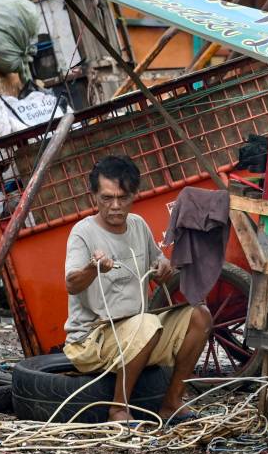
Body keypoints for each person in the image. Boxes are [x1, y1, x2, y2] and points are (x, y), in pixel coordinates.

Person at [63, 156, 212, 424]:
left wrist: (164, 266)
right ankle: (118, 409)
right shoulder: (82, 233)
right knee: (146, 323)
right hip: (93, 338)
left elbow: (159, 263)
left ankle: (172, 403)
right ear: (93, 195)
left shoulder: (139, 225)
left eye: (124, 197)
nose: (116, 206)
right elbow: (71, 283)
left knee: (200, 316)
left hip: (140, 333)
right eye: (107, 198)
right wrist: (91, 268)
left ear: (134, 195)